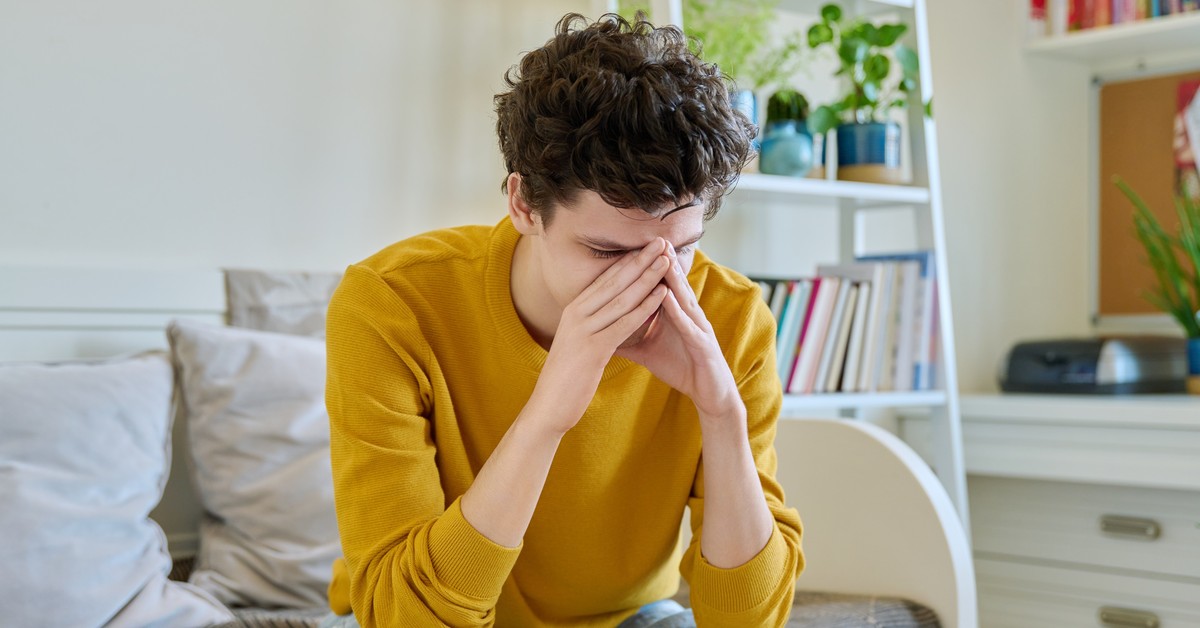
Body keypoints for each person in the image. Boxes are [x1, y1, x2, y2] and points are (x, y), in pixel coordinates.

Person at [322, 12, 803, 627]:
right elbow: (403, 617)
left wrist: (721, 413)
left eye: (681, 247)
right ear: (524, 203)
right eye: (607, 253)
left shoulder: (732, 320)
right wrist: (548, 413)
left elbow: (746, 622)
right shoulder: (392, 305)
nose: (654, 283)